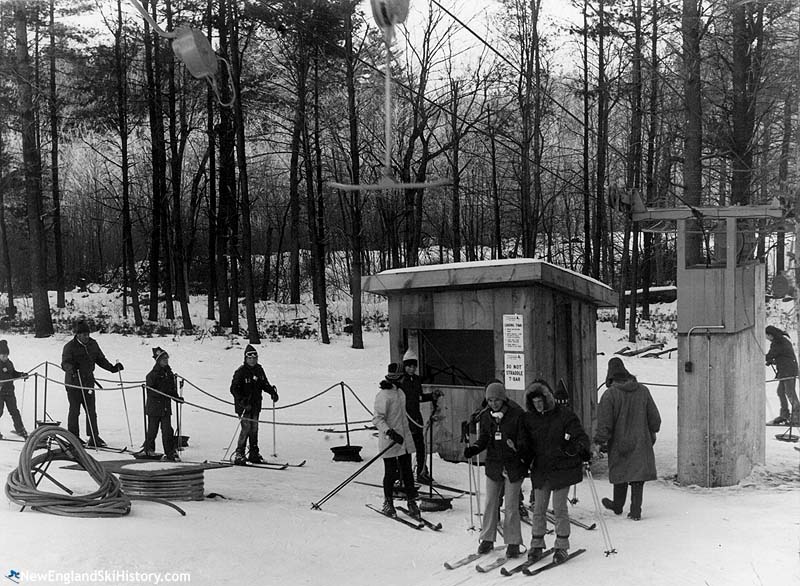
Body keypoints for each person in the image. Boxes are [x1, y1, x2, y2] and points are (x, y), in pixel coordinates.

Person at [524, 379, 591, 565]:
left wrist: (579, 447)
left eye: (540, 401)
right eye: (534, 402)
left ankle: (562, 545)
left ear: (547, 399)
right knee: (539, 508)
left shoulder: (564, 415)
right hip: (541, 468)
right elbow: (526, 442)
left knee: (559, 507)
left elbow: (580, 435)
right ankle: (536, 544)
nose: (538, 406)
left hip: (562, 468)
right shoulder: (530, 419)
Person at [463, 381, 528, 559]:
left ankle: (513, 542)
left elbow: (525, 439)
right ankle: (487, 538)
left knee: (511, 505)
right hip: (494, 464)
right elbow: (485, 438)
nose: (493, 404)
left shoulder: (517, 414)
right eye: (490, 400)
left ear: (503, 399)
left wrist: (516, 447)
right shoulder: (486, 415)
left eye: (496, 400)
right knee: (491, 501)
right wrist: (475, 448)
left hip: (513, 465)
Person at [594, 357, 661, 521]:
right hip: (640, 441)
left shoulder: (610, 395)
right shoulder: (643, 391)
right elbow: (655, 419)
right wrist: (652, 431)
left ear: (610, 376)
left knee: (621, 472)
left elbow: (605, 423)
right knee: (637, 476)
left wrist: (599, 441)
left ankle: (617, 505)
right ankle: (636, 511)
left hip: (619, 443)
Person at [61, 321, 124, 447]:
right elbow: (64, 363)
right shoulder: (70, 346)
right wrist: (71, 368)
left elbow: (100, 359)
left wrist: (112, 368)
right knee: (74, 410)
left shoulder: (92, 344)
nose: (87, 337)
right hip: (74, 383)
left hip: (88, 382)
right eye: (84, 334)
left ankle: (94, 437)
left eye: (88, 334)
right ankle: (73, 437)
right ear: (78, 335)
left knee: (91, 411)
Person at [372, 363, 420, 519]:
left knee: (407, 472)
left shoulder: (400, 392)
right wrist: (390, 432)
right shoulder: (383, 395)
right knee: (391, 472)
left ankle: (411, 502)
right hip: (390, 440)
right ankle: (388, 503)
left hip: (404, 440)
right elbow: (377, 419)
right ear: (396, 378)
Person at [398, 349, 442, 482]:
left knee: (420, 446)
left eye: (414, 366)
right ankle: (403, 475)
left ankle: (421, 471)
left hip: (416, 418)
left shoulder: (416, 380)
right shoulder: (401, 381)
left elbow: (419, 397)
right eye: (409, 366)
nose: (412, 369)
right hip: (405, 418)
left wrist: (432, 396)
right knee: (405, 448)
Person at [230, 344, 278, 465]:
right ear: (245, 359)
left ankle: (253, 452)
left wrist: (272, 392)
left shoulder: (259, 370)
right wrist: (241, 400)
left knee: (254, 428)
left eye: (254, 358)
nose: (252, 360)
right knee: (246, 428)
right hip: (244, 406)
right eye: (250, 358)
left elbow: (264, 384)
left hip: (256, 405)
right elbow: (234, 388)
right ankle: (239, 453)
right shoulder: (241, 372)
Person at [142, 347, 183, 461]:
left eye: (167, 358)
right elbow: (151, 392)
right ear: (158, 361)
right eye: (163, 359)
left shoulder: (169, 374)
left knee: (167, 431)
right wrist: (163, 392)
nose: (166, 360)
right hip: (154, 408)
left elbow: (171, 390)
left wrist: (177, 398)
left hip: (165, 408)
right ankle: (149, 450)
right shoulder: (152, 375)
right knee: (152, 431)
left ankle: (170, 452)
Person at [765, 325, 800, 425]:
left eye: (766, 336)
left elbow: (771, 354)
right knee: (780, 392)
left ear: (770, 335)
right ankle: (784, 415)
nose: (766, 338)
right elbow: (783, 356)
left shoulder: (778, 342)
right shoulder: (781, 340)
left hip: (788, 371)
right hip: (786, 369)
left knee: (790, 393)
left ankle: (797, 417)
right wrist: (773, 361)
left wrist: (768, 358)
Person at [0, 339, 29, 439]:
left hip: (9, 391)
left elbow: (13, 373)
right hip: (0, 392)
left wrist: (21, 375)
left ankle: (20, 429)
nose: (5, 358)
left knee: (14, 411)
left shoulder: (9, 363)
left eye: (6, 355)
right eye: (3, 356)